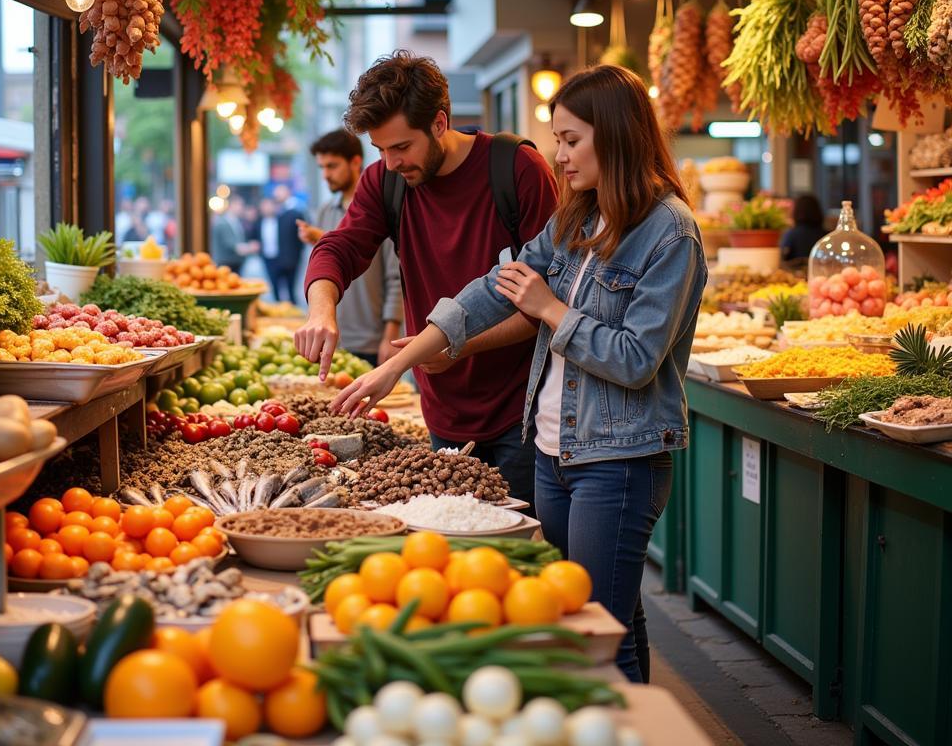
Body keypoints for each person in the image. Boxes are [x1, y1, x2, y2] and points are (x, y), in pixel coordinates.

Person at [330, 65, 708, 683]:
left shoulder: (670, 232)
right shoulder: (578, 220)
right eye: (556, 139)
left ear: (616, 136)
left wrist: (551, 309)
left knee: (593, 634)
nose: (558, 156)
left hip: (616, 460)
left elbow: (638, 360)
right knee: (593, 617)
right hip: (552, 452)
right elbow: (487, 292)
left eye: (571, 140)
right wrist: (398, 365)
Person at [295, 50, 558, 507]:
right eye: (380, 150)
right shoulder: (385, 182)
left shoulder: (517, 170)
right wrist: (322, 309)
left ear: (439, 123)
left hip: (526, 413)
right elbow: (338, 247)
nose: (390, 162)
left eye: (401, 147)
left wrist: (454, 344)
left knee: (519, 560)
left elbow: (548, 302)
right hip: (441, 411)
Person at [298, 129, 403, 366]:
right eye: (322, 167)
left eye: (332, 166)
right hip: (335, 338)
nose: (325, 175)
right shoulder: (325, 210)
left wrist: (390, 336)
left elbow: (395, 277)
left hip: (372, 340)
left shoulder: (381, 209)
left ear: (356, 162)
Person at [269, 185, 305, 303]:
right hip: (279, 256)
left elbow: (300, 237)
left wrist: (295, 255)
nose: (276, 196)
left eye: (279, 193)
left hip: (291, 257)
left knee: (291, 288)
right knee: (278, 288)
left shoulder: (295, 210)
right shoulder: (279, 211)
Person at [212, 196, 259, 270]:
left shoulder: (237, 222)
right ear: (231, 205)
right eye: (239, 204)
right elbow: (235, 247)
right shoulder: (222, 223)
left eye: (242, 205)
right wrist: (251, 247)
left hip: (236, 264)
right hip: (225, 265)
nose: (241, 207)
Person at [781, 193, 827, 262]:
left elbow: (784, 257)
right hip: (820, 271)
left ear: (797, 211)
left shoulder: (791, 234)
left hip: (796, 271)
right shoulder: (826, 236)